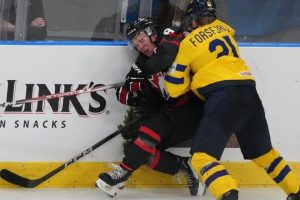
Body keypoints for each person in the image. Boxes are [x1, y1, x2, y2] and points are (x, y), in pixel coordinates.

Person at [164, 0, 300, 199]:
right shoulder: (226, 31)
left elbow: (174, 89)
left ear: (193, 20)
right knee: (264, 154)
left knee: (202, 158)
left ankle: (228, 194)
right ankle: (295, 191)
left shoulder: (188, 44)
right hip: (249, 93)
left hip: (223, 98)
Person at [95, 17, 205, 197]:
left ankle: (121, 175)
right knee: (134, 150)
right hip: (174, 117)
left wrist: (142, 73)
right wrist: (130, 89)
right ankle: (182, 165)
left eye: (141, 40)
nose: (139, 46)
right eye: (135, 44)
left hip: (196, 110)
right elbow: (125, 96)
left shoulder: (169, 37)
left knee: (152, 128)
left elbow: (168, 54)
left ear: (152, 34)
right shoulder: (142, 62)